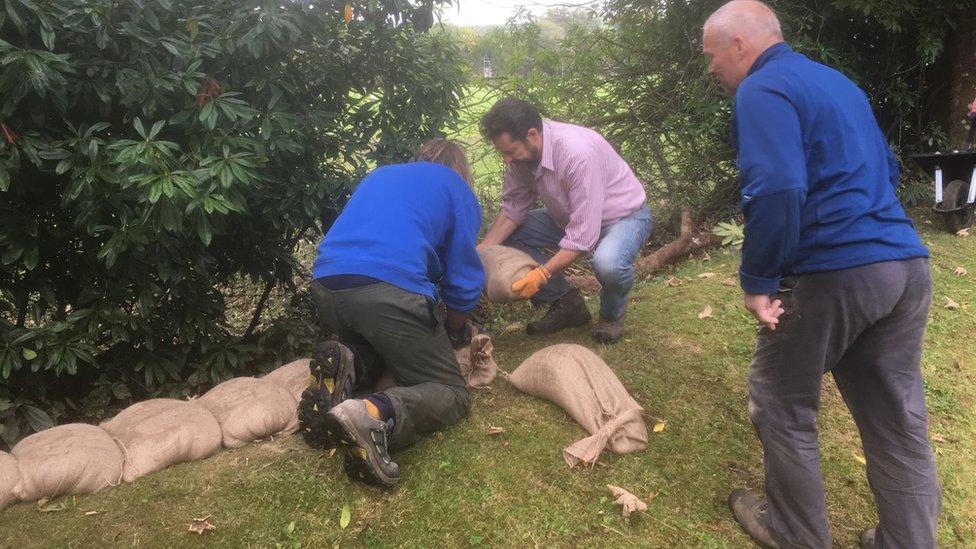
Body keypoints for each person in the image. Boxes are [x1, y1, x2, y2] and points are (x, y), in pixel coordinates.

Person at [702, 2, 940, 547]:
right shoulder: (836, 83)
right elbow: (889, 167)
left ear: (740, 46)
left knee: (780, 398)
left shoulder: (760, 90)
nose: (710, 68)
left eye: (711, 55)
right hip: (905, 266)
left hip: (836, 272)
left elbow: (778, 188)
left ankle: (794, 532)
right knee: (895, 417)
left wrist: (759, 281)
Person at [299, 139, 484, 487]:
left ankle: (348, 360)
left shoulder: (381, 175)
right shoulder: (456, 188)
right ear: (460, 169)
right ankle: (370, 414)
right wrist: (454, 326)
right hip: (387, 291)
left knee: (385, 347)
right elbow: (463, 275)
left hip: (327, 282)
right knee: (452, 394)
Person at [478, 98, 652, 343]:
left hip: (623, 218)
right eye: (502, 152)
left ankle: (611, 316)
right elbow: (513, 208)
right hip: (570, 218)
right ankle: (567, 305)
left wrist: (541, 274)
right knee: (507, 238)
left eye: (510, 151)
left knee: (608, 263)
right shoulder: (521, 157)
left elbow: (582, 236)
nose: (507, 159)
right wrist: (483, 252)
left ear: (532, 134)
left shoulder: (576, 153)